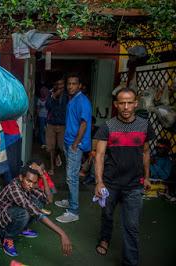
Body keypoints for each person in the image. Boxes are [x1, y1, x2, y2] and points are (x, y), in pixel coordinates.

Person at [94, 87, 154, 265]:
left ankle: (130, 262)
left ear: (136, 104)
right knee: (107, 215)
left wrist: (147, 177)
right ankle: (105, 239)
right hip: (110, 183)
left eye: (129, 103)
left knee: (132, 226)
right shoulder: (108, 126)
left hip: (134, 185)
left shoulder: (144, 125)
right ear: (116, 105)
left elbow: (145, 153)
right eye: (122, 103)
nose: (126, 107)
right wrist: (99, 182)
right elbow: (99, 155)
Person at [0, 165, 72, 257]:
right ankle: (7, 238)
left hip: (10, 215)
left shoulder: (27, 185)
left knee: (39, 203)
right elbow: (35, 212)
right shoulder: (14, 188)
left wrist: (44, 177)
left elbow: (48, 199)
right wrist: (62, 233)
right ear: (21, 177)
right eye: (28, 181)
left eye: (34, 182)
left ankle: (22, 228)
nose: (31, 185)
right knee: (24, 212)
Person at [55, 73, 92, 223]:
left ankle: (73, 211)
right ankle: (71, 202)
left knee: (72, 177)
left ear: (80, 85)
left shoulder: (82, 101)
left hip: (75, 144)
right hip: (69, 142)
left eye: (74, 84)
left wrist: (76, 143)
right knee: (70, 175)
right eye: (69, 83)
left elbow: (84, 123)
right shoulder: (73, 99)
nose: (71, 86)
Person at [45, 75, 68, 175]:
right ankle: (52, 167)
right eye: (58, 84)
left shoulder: (67, 95)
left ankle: (57, 155)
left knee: (61, 146)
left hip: (63, 125)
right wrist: (53, 97)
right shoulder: (51, 94)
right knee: (51, 147)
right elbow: (47, 107)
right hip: (51, 124)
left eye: (62, 84)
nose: (60, 86)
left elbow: (66, 109)